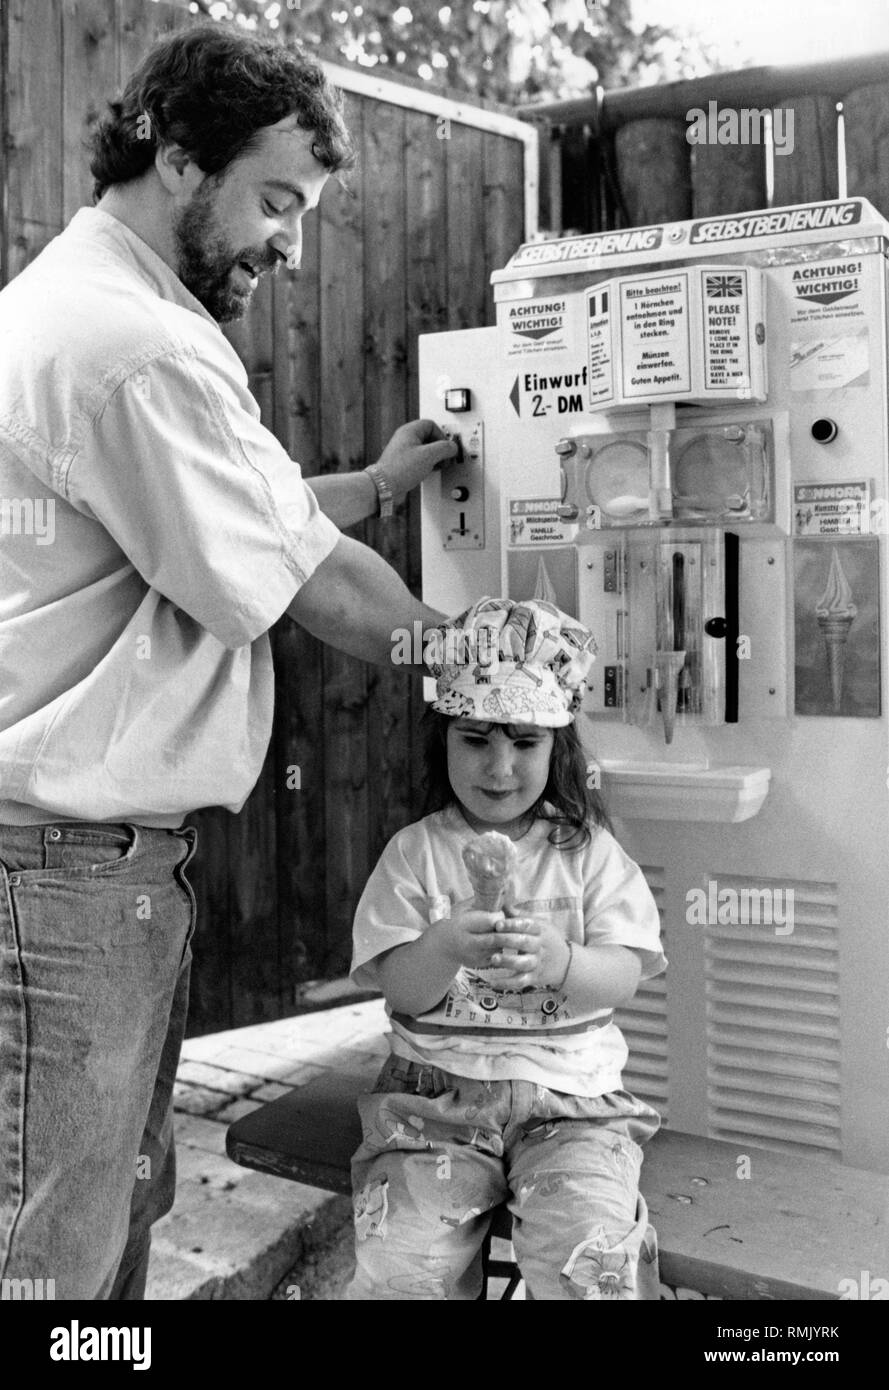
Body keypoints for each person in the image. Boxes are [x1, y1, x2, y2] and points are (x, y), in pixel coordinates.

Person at [0, 24, 455, 1299]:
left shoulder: (82, 308)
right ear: (180, 158)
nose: (291, 245)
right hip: (63, 882)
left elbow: (224, 516)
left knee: (111, 1215)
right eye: (275, 201)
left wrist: (372, 483)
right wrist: (494, 657)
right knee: (55, 1254)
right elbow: (310, 583)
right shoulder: (136, 344)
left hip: (85, 871)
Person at [346, 598, 667, 1300]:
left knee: (591, 1262)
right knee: (401, 1269)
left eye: (524, 741)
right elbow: (402, 990)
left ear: (557, 748)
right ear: (444, 740)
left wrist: (563, 963)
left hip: (572, 1106)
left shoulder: (586, 854)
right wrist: (440, 947)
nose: (498, 767)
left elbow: (624, 977)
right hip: (433, 1108)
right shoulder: (414, 855)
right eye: (475, 738)